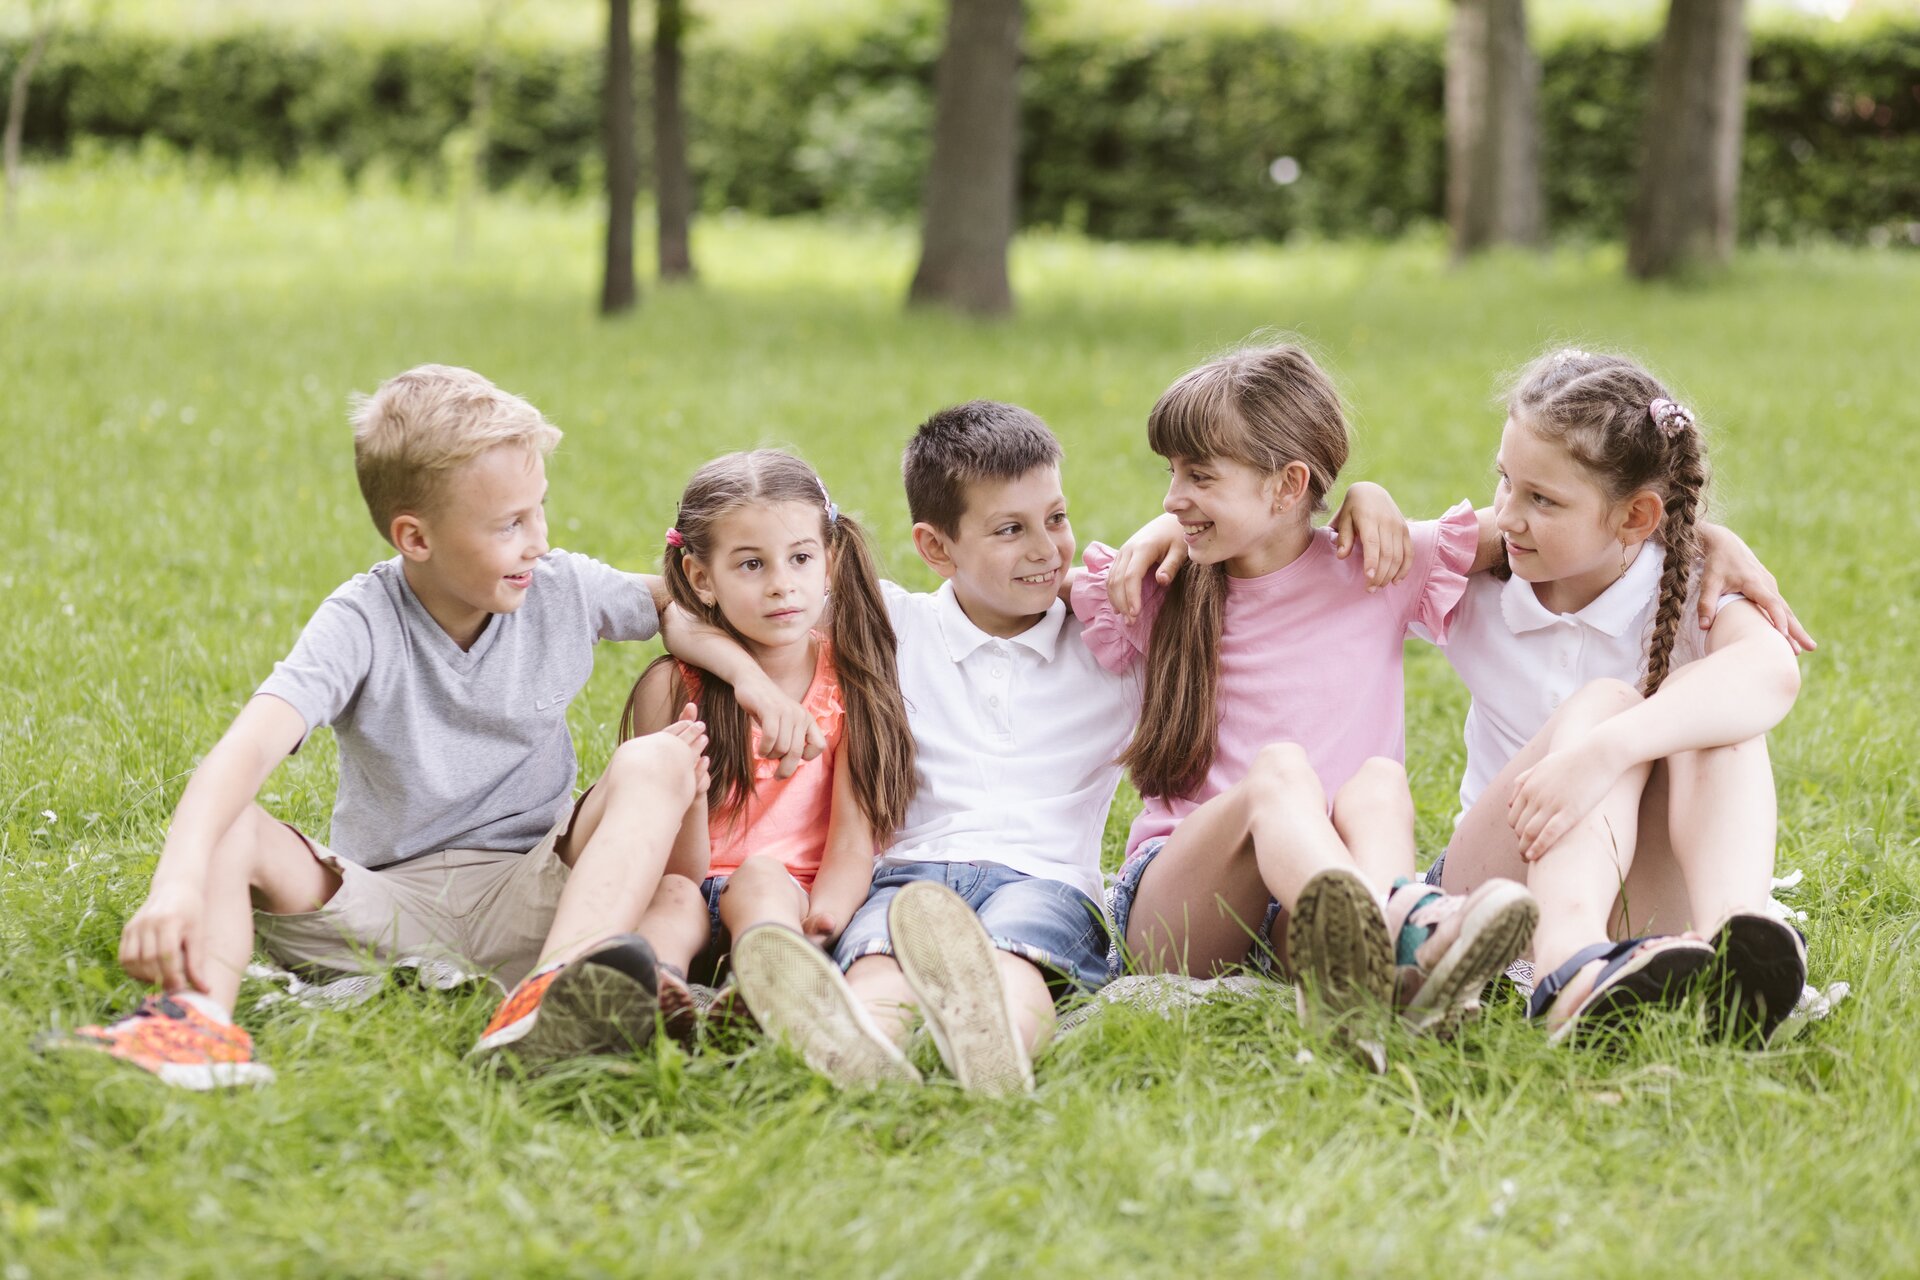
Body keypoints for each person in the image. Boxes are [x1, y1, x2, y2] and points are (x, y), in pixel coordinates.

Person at [38, 365, 813, 1087]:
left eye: (539, 509)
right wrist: (175, 884)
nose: (539, 540)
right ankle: (195, 1021)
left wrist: (748, 678)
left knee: (660, 760)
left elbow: (683, 603)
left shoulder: (560, 587)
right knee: (235, 822)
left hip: (536, 892)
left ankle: (554, 995)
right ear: (416, 538)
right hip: (384, 906)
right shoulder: (361, 621)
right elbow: (241, 752)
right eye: (510, 524)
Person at [1072, 343, 1537, 1045]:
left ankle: (1377, 963)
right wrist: (1170, 527)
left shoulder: (1377, 564)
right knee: (1280, 774)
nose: (1172, 498)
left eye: (1199, 476)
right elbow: (1016, 585)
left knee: (1378, 783)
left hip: (1315, 913)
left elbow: (1547, 528)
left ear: (1288, 485)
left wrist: (1695, 538)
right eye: (1172, 474)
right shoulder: (1158, 583)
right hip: (1189, 905)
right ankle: (1408, 936)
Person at [1426, 349, 1807, 1044]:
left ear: (1636, 518)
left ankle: (1736, 946)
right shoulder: (1476, 580)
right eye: (1505, 481)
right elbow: (1318, 560)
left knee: (1714, 712)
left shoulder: (1689, 586)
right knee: (1609, 699)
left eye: (1542, 500)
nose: (1506, 515)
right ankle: (1567, 969)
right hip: (1494, 895)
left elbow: (1771, 671)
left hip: (1643, 896)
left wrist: (1605, 752)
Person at [616, 450, 918, 1081]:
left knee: (759, 877)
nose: (782, 584)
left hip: (792, 904)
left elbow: (852, 840)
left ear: (829, 560)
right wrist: (690, 799)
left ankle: (769, 986)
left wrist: (824, 923)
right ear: (701, 578)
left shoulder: (852, 681)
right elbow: (669, 863)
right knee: (670, 898)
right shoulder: (673, 687)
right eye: (751, 564)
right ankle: (652, 993)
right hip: (691, 885)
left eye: (800, 559)